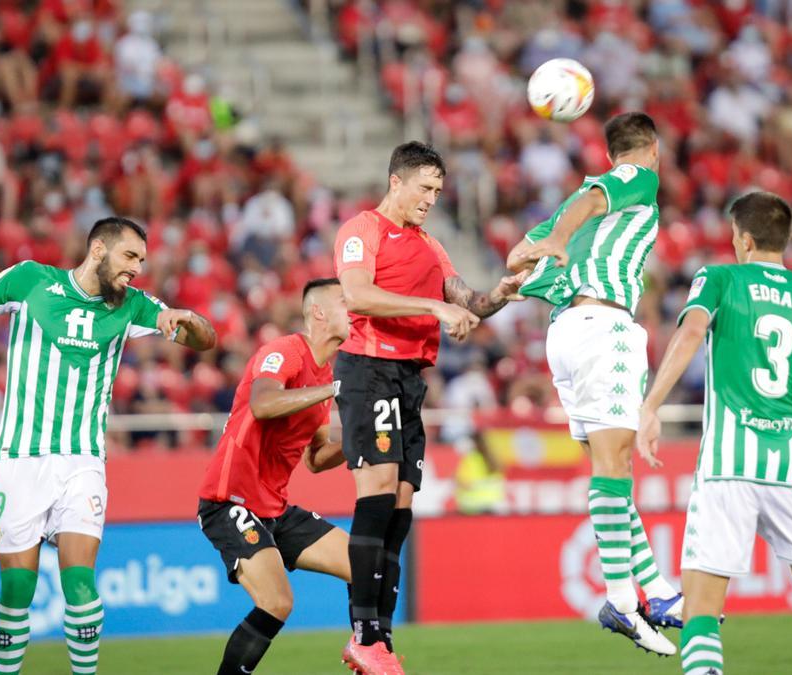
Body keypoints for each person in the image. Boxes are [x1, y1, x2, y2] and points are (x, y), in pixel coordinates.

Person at [0, 217, 216, 675]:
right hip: (21, 458)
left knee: (81, 583)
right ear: (99, 250)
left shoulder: (133, 306)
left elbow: (205, 340)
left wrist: (186, 319)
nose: (137, 269)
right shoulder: (30, 280)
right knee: (18, 591)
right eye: (130, 257)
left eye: (143, 261)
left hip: (83, 460)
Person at [636, 191, 792, 675]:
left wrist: (651, 406)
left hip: (728, 464)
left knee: (702, 607)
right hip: (791, 469)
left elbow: (691, 333)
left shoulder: (719, 278)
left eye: (735, 237)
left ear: (745, 239)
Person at [333, 141, 526, 673]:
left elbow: (470, 301)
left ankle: (383, 637)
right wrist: (433, 305)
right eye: (425, 188)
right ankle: (362, 631)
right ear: (397, 181)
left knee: (399, 509)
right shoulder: (362, 230)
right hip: (368, 367)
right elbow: (356, 296)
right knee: (375, 497)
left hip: (408, 380)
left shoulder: (430, 246)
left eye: (439, 191)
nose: (432, 199)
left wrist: (502, 294)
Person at [507, 112, 683, 656]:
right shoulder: (638, 179)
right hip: (605, 324)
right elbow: (584, 208)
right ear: (650, 149)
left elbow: (518, 259)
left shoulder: (573, 208)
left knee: (612, 466)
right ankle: (622, 600)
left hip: (564, 331)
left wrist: (554, 245)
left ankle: (656, 590)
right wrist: (562, 238)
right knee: (613, 466)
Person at [197, 278, 352, 674]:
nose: (356, 306)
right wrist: (333, 391)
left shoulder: (322, 375)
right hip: (228, 499)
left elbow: (316, 459)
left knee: (364, 562)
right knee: (276, 602)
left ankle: (370, 653)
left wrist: (361, 438)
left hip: (273, 508)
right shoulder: (284, 351)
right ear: (318, 312)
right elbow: (264, 404)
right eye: (345, 299)